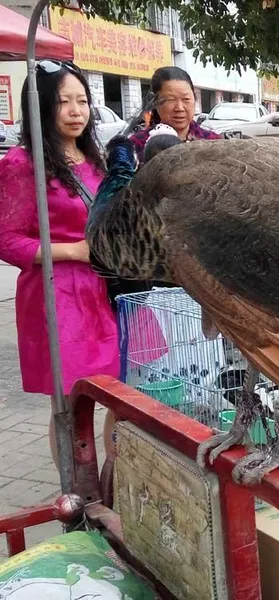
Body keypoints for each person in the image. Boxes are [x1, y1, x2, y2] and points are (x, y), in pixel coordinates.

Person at [0, 60, 119, 465]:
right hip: (58, 295)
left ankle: (114, 482)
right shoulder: (22, 163)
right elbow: (8, 241)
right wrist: (74, 251)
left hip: (104, 291)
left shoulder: (94, 158)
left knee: (123, 396)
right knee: (69, 406)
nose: (76, 111)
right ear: (40, 107)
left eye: (82, 101)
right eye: (63, 102)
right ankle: (80, 494)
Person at [130, 66, 221, 163]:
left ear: (194, 99)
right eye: (171, 100)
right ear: (155, 102)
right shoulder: (135, 146)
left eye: (186, 99)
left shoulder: (213, 142)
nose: (179, 108)